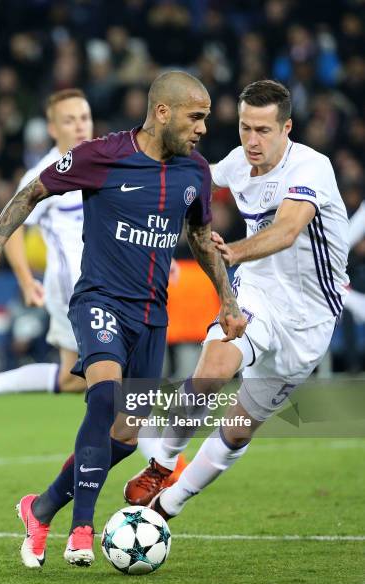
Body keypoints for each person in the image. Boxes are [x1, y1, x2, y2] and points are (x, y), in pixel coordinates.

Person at [0, 70, 247, 568]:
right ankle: (81, 529)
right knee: (103, 395)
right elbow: (30, 192)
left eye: (206, 119)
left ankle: (39, 509)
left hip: (152, 316)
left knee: (126, 437)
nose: (203, 129)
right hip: (99, 300)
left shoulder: (195, 172)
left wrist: (227, 300)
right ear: (162, 112)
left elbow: (198, 237)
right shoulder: (101, 155)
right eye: (196, 117)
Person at [123, 79, 349, 521]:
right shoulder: (238, 162)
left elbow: (286, 231)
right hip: (257, 294)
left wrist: (232, 252)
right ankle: (161, 465)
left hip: (310, 321)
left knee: (239, 429)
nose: (252, 140)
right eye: (245, 128)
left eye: (263, 130)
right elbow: (193, 175)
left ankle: (168, 506)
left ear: (287, 128)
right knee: (213, 368)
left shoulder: (311, 167)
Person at [0, 89, 93, 425]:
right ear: (53, 129)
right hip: (75, 289)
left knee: (75, 378)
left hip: (99, 282)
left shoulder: (104, 160)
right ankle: (165, 460)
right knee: (119, 374)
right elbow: (11, 226)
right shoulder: (43, 176)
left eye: (84, 118)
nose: (80, 126)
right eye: (69, 120)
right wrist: (27, 281)